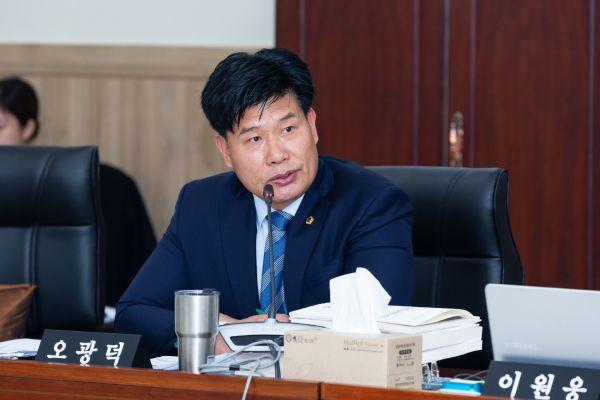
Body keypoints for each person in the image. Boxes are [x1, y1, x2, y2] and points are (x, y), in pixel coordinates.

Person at [115, 48, 414, 357]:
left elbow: (378, 329)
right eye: (254, 139)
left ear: (312, 126)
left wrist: (271, 338)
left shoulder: (371, 205)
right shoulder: (201, 205)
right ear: (226, 151)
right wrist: (212, 335)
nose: (277, 155)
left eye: (288, 129)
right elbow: (134, 312)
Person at [0, 76, 157, 307]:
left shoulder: (105, 185)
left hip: (79, 317)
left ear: (28, 128)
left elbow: (149, 268)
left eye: (0, 127)